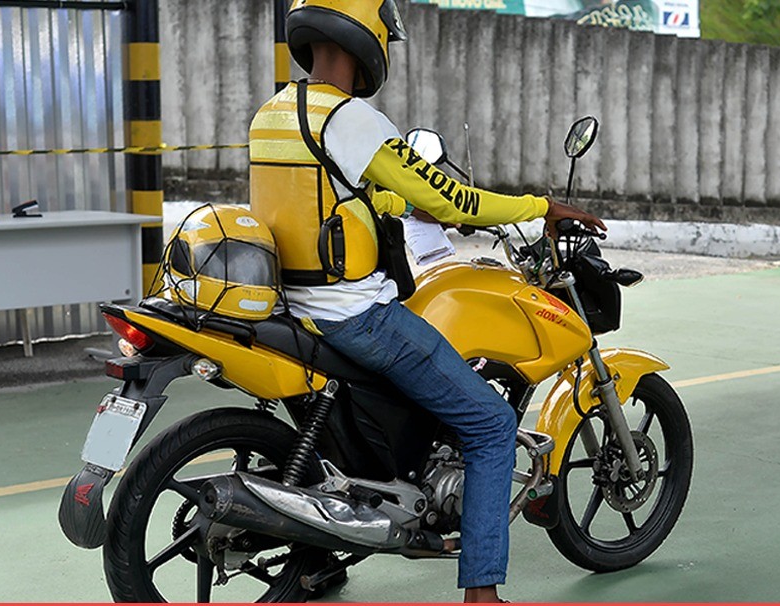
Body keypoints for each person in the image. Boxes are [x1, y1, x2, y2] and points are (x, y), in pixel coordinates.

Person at [249, 1, 606, 602]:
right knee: (491, 425)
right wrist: (540, 207)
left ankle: (317, 558)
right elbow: (453, 201)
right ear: (367, 35)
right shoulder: (351, 118)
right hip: (356, 315)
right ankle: (482, 593)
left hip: (292, 308)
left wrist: (404, 205)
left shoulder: (275, 112)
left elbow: (324, 198)